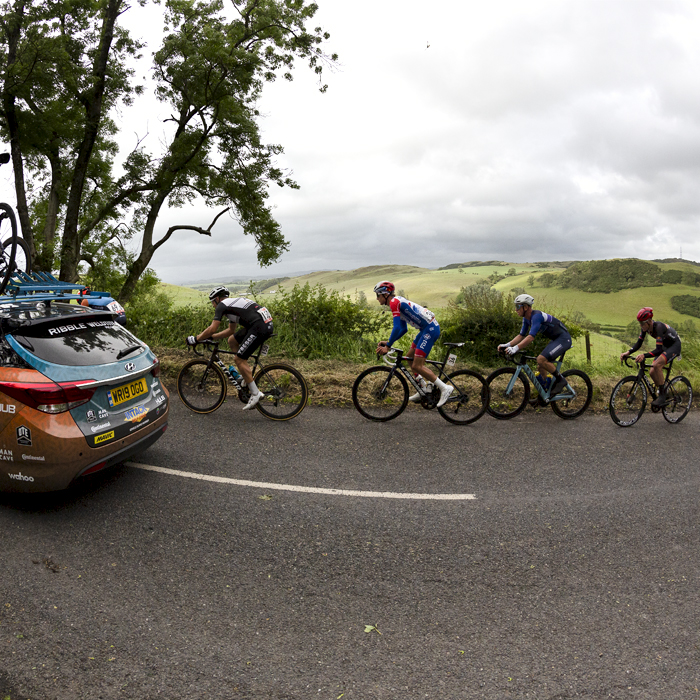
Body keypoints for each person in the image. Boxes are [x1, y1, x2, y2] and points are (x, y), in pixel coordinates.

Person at [186, 286, 273, 410]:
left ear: (216, 299)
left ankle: (255, 393)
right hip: (262, 323)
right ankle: (244, 375)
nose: (213, 306)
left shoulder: (222, 306)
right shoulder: (231, 306)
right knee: (232, 341)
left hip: (259, 326)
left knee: (239, 359)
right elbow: (230, 331)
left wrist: (196, 339)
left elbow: (212, 328)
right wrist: (211, 338)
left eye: (212, 302)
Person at [373, 280, 453, 408]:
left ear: (385, 294)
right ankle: (423, 388)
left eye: (378, 295)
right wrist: (389, 342)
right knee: (410, 358)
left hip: (430, 329)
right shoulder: (397, 302)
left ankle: (445, 388)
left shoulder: (394, 303)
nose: (377, 299)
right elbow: (403, 329)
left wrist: (388, 346)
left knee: (417, 365)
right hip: (426, 329)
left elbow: (397, 327)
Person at [497, 293, 572, 395]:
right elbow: (521, 335)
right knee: (540, 366)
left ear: (526, 307)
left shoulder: (536, 316)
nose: (516, 309)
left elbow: (531, 337)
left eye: (518, 306)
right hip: (555, 339)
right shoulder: (526, 319)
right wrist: (507, 345)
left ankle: (561, 380)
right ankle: (546, 394)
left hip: (563, 339)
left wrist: (516, 348)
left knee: (540, 359)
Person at [620, 307, 681, 407]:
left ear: (649, 321)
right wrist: (628, 352)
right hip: (665, 346)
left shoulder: (659, 327)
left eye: (642, 323)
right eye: (639, 323)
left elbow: (658, 350)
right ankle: (664, 393)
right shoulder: (645, 328)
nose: (640, 325)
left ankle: (662, 395)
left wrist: (644, 355)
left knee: (657, 365)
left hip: (674, 346)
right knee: (652, 371)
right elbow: (639, 343)